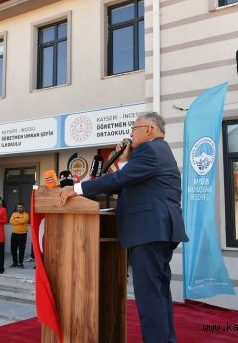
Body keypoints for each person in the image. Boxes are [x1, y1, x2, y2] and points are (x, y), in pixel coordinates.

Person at [59, 112, 188, 343]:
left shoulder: (149, 150)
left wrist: (76, 189)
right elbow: (129, 181)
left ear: (148, 129)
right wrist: (124, 159)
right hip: (158, 230)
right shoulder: (159, 151)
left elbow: (120, 180)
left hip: (149, 231)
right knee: (158, 295)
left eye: (134, 128)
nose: (131, 133)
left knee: (150, 297)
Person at [9, 202, 29, 268]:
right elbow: (11, 221)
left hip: (23, 234)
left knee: (21, 249)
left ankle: (20, 263)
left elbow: (24, 220)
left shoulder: (26, 214)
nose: (19, 208)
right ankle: (15, 262)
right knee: (13, 249)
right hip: (14, 233)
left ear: (23, 208)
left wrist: (16, 220)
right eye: (18, 207)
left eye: (20, 207)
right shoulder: (14, 214)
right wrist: (20, 221)